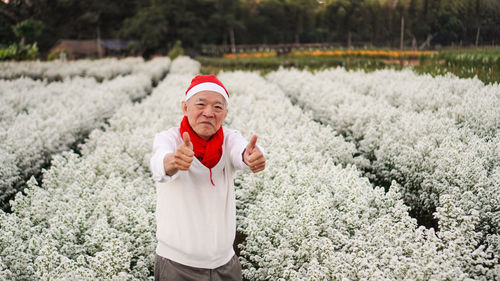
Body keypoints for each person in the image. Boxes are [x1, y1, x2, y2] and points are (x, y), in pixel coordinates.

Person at [150, 74, 266, 281]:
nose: (209, 113)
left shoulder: (229, 139)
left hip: (225, 264)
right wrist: (173, 161)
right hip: (177, 266)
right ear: (185, 107)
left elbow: (243, 151)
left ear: (225, 113)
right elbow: (159, 162)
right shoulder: (169, 139)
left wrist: (252, 157)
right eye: (200, 104)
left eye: (218, 107)